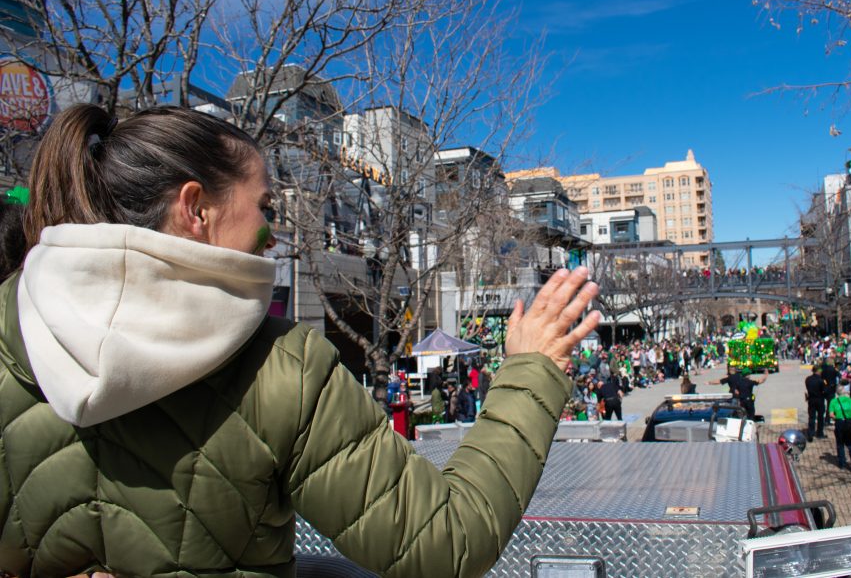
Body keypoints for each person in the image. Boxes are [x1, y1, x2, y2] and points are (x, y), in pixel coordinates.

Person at [0, 104, 604, 577]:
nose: (275, 228)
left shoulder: (9, 331)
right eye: (264, 205)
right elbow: (445, 540)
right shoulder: (280, 367)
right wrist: (531, 368)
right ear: (195, 209)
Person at [828, 384, 851, 471]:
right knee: (850, 442)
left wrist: (837, 417)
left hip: (839, 423)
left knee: (840, 443)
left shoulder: (833, 401)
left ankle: (841, 463)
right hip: (849, 422)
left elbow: (831, 414)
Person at [805, 364, 827, 442]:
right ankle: (819, 433)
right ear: (818, 371)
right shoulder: (821, 380)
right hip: (819, 400)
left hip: (811, 399)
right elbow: (824, 391)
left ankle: (811, 432)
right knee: (820, 417)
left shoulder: (808, 379)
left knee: (812, 417)